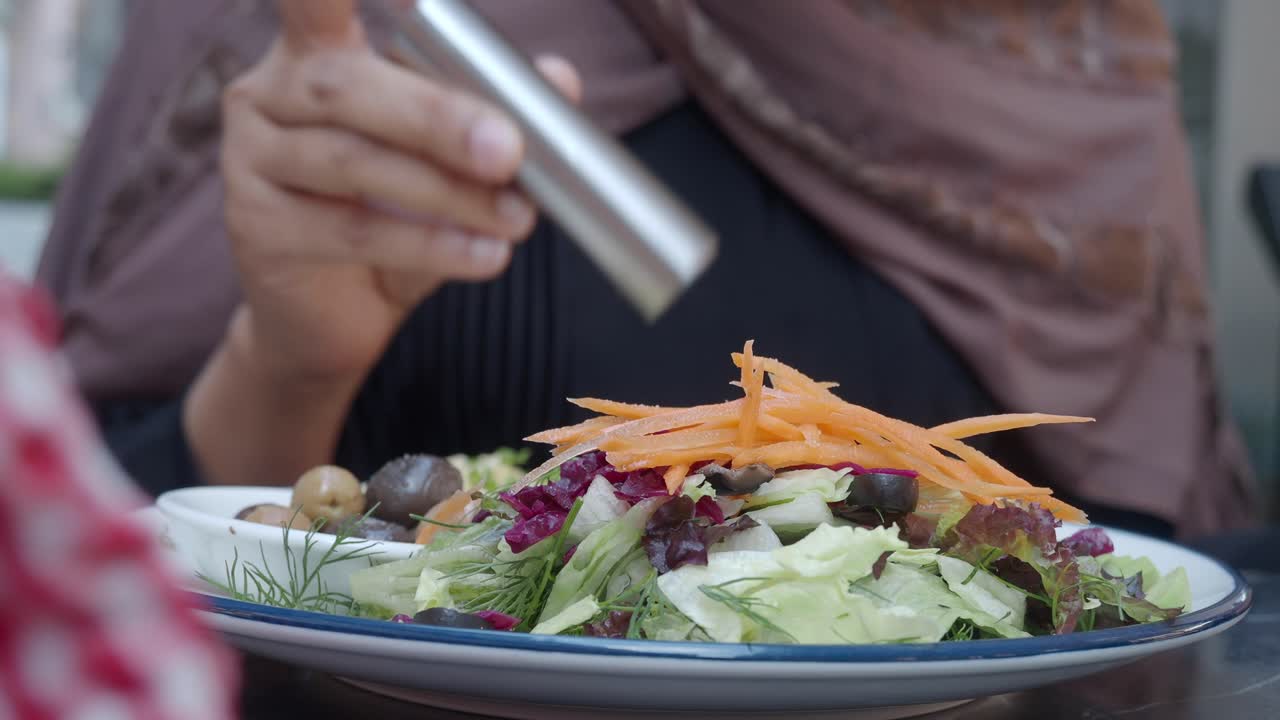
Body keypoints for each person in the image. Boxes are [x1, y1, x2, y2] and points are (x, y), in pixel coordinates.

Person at [36, 0, 1255, 538]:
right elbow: (77, 562)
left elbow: (1125, 530)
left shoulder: (1049, 46)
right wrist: (284, 362)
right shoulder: (335, 30)